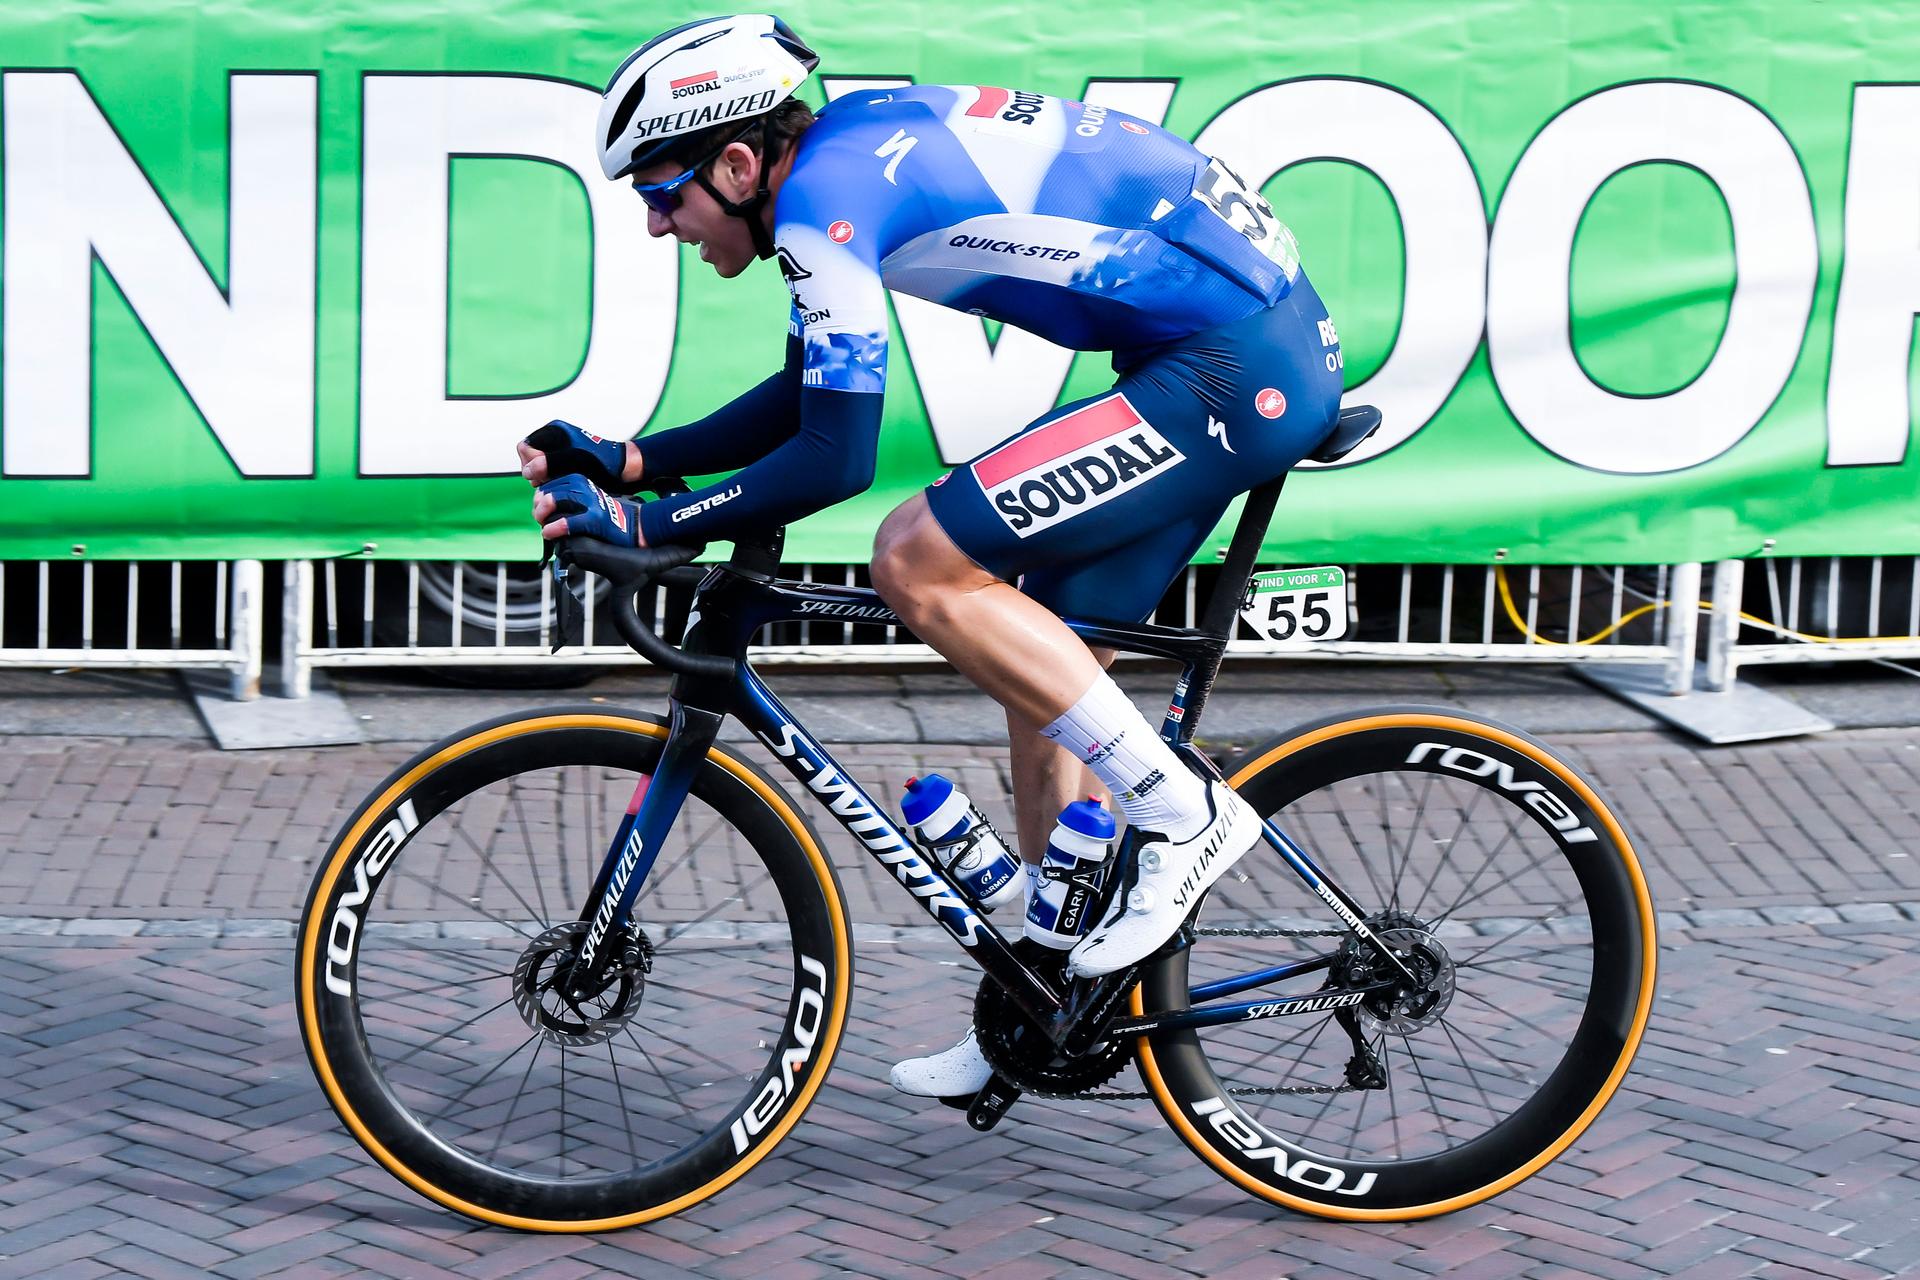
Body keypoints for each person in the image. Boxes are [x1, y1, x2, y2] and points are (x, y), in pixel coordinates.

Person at [518, 13, 1345, 1101]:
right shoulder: (833, 169)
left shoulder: (821, 202)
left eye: (662, 193)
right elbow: (807, 394)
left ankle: (1183, 813)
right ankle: (1040, 997)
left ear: (734, 161)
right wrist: (635, 462)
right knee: (1037, 658)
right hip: (1213, 343)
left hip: (1231, 364)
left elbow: (835, 454)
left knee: (915, 555)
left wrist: (648, 528)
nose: (660, 225)